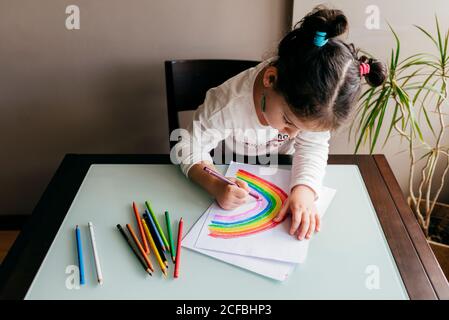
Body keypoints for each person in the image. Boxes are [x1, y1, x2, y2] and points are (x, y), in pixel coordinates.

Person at [172, 5, 387, 240]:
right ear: (270, 78)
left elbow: (313, 147)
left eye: (301, 129)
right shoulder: (228, 103)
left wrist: (304, 190)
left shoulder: (313, 102)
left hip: (280, 169)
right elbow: (188, 147)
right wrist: (215, 184)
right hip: (224, 167)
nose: (293, 135)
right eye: (287, 121)